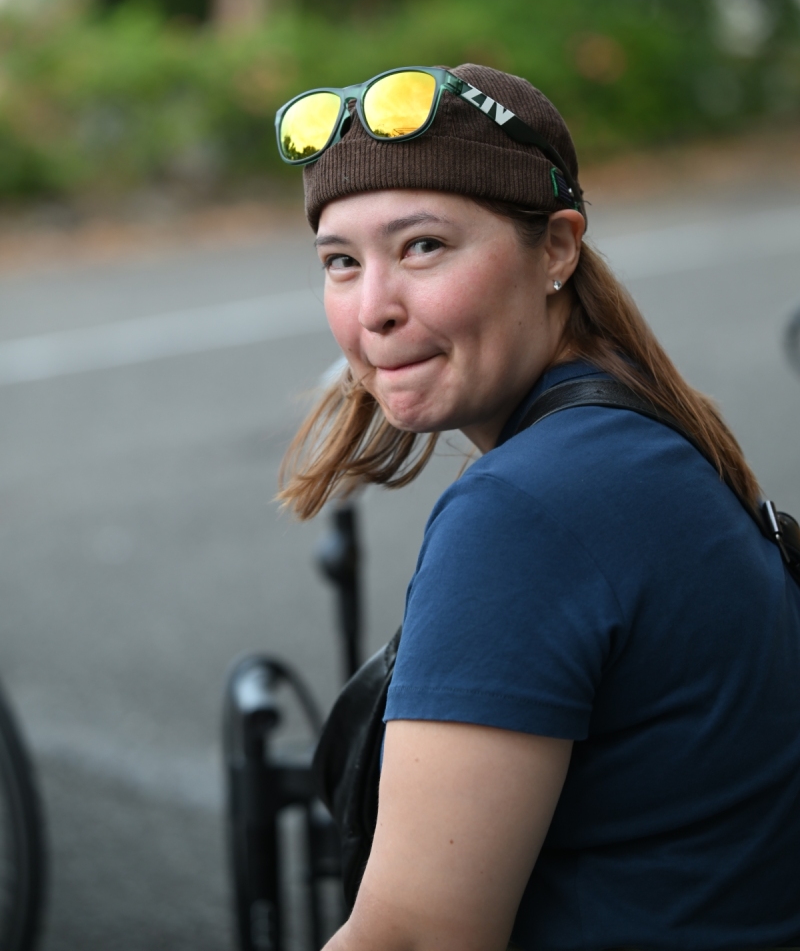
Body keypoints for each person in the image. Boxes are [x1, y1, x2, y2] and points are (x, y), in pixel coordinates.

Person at [277, 63, 800, 951]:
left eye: (423, 247)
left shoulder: (526, 510)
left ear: (556, 249)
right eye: (341, 262)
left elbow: (414, 938)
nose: (373, 310)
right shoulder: (648, 435)